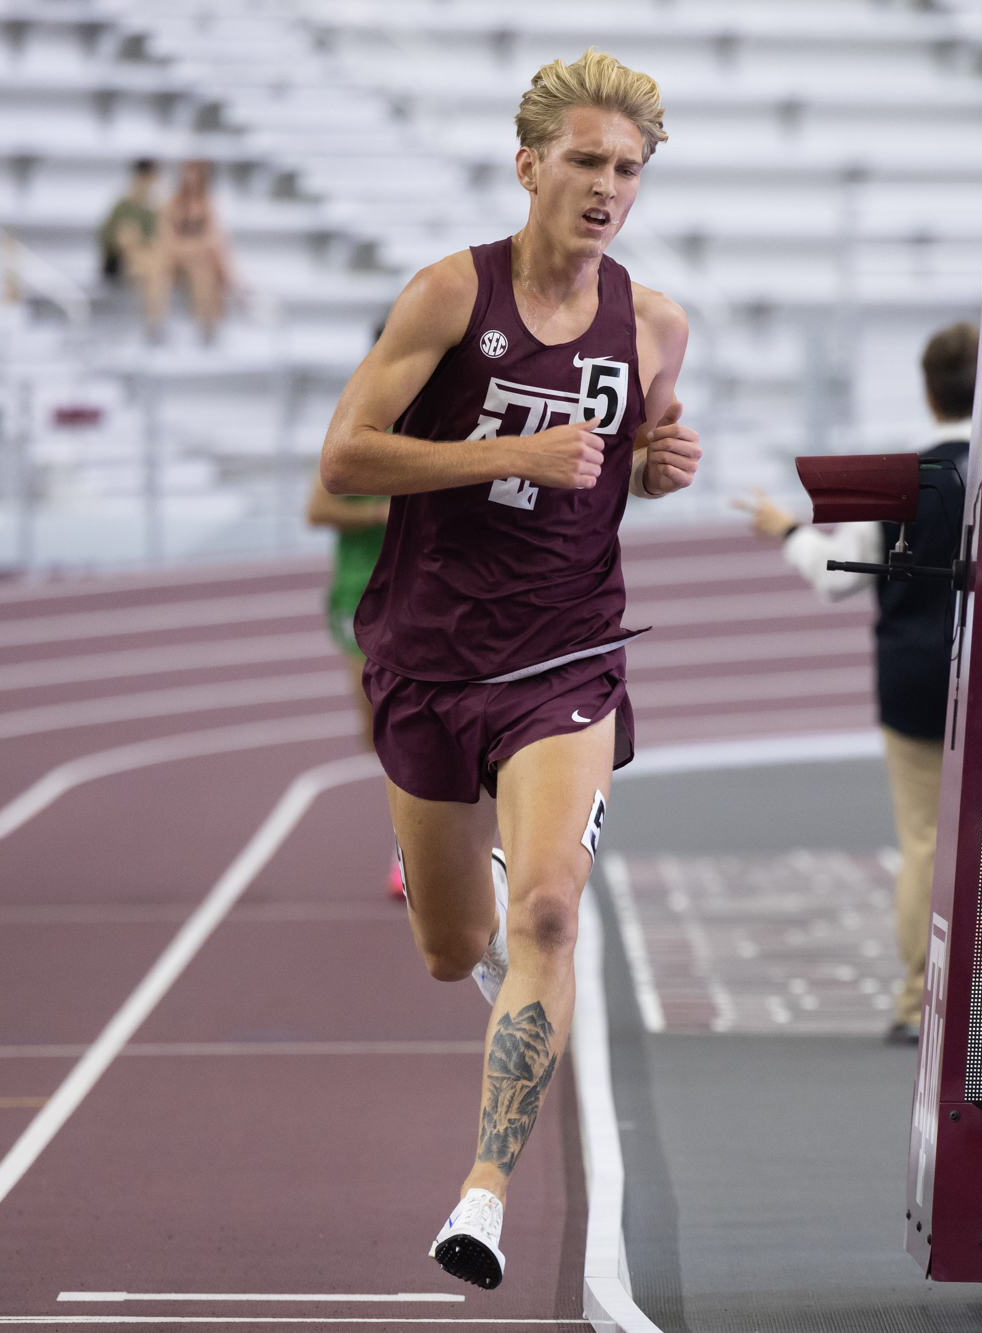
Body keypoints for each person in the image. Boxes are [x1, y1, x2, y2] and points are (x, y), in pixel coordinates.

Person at [316, 48, 700, 1290]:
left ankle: (481, 1196)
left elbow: (623, 460)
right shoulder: (445, 296)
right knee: (450, 947)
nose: (604, 186)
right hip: (429, 655)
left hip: (568, 654)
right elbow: (345, 465)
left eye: (627, 169)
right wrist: (507, 453)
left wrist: (659, 463)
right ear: (528, 164)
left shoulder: (652, 322)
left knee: (547, 911)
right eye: (584, 160)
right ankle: (473, 888)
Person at [735, 321, 975, 1046]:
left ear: (928, 393)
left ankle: (914, 1003)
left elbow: (836, 576)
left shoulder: (902, 482)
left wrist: (784, 529)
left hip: (912, 678)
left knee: (925, 841)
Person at [305, 415, 398, 897]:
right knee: (377, 729)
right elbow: (317, 508)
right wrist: (382, 512)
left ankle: (410, 850)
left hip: (421, 595)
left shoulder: (444, 426)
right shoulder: (353, 430)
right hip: (357, 594)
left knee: (415, 723)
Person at [144, 159, 237, 343]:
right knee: (157, 273)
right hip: (175, 258)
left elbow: (212, 236)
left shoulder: (208, 204)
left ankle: (207, 326)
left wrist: (194, 249)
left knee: (204, 274)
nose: (191, 178)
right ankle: (155, 324)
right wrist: (185, 249)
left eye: (195, 173)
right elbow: (165, 235)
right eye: (188, 172)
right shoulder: (172, 203)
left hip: (196, 259)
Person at [99, 159, 159, 285]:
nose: (145, 183)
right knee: (127, 233)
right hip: (119, 260)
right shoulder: (122, 207)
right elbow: (109, 238)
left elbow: (157, 240)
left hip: (145, 259)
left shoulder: (156, 210)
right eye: (142, 178)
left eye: (148, 179)